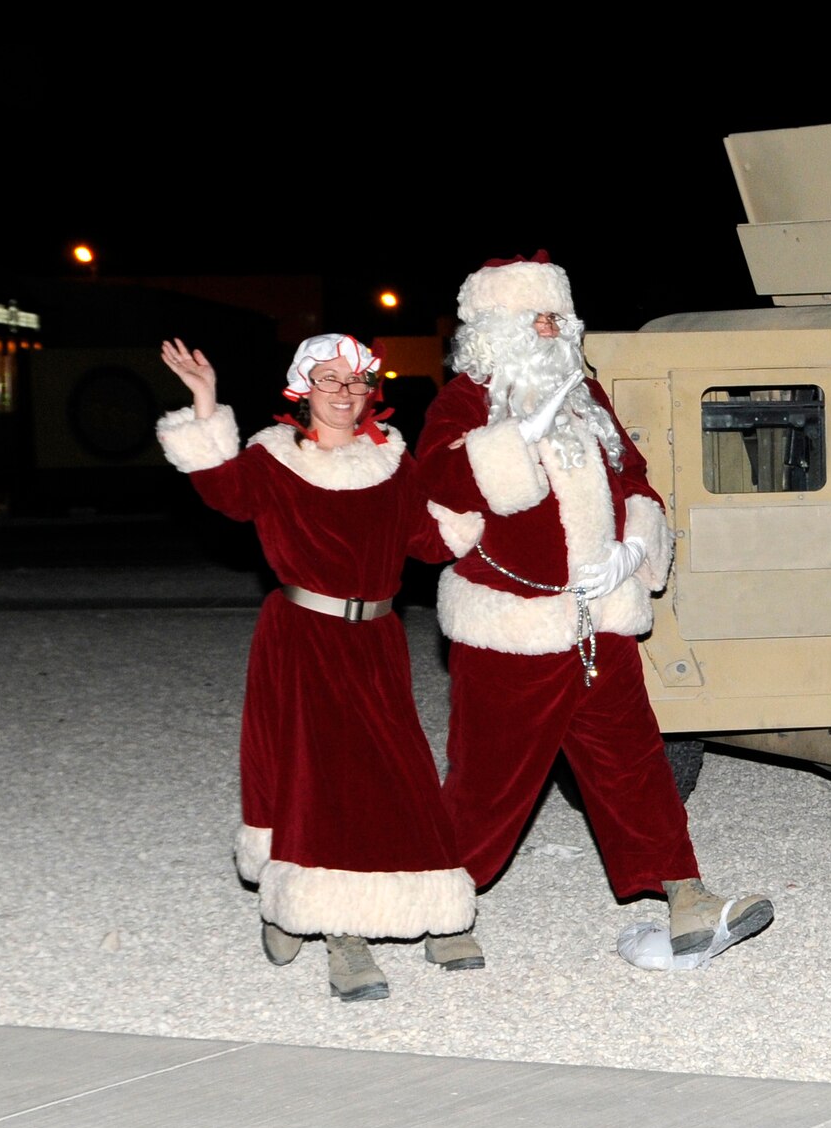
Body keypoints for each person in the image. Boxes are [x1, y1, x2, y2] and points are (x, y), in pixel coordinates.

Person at [417, 251, 771, 964]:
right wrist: (516, 440)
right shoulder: (463, 401)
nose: (552, 328)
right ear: (495, 327)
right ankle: (442, 908)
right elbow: (434, 495)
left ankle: (685, 894)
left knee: (635, 764)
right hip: (512, 629)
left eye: (558, 315)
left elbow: (634, 479)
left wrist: (633, 550)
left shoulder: (586, 398)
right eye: (535, 316)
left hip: (599, 621)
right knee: (488, 781)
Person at [157, 334, 480, 1001]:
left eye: (356, 382)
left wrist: (479, 489)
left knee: (402, 769)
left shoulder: (390, 460)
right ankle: (338, 929)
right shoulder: (273, 458)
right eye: (328, 379)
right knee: (321, 778)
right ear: (302, 388)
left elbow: (427, 540)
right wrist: (205, 399)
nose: (343, 392)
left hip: (379, 639)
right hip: (304, 637)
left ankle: (432, 904)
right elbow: (222, 491)